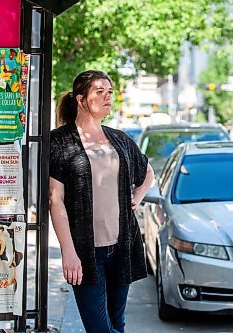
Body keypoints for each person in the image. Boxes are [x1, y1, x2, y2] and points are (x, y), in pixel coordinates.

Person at [49, 70, 154, 333]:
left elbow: (147, 172)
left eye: (110, 92)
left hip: (122, 247)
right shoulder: (59, 141)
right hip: (86, 252)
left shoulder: (120, 138)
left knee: (117, 323)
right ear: (81, 99)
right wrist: (68, 252)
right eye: (100, 92)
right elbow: (55, 200)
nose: (108, 97)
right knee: (100, 328)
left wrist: (136, 198)